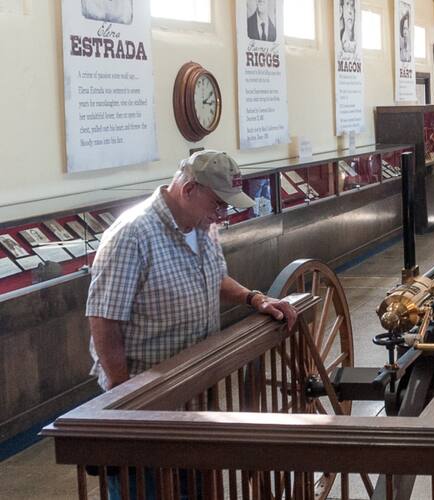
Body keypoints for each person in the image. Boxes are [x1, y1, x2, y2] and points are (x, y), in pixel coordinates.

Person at [86, 150, 298, 499]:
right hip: (149, 400)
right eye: (217, 204)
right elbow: (104, 319)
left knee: (193, 487)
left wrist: (255, 298)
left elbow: (216, 278)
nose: (221, 214)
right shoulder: (131, 235)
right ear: (188, 190)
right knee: (147, 490)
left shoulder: (201, 228)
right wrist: (127, 399)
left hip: (194, 393)